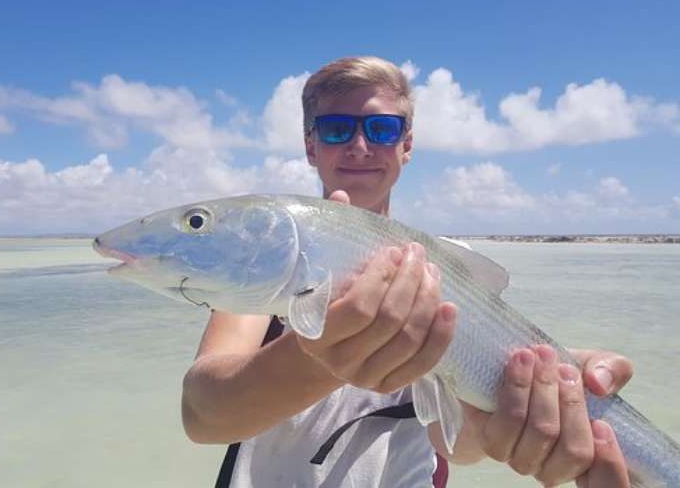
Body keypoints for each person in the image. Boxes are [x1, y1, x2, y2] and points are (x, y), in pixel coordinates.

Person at [182, 56, 634, 487]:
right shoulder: (271, 264)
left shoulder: (447, 268)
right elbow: (202, 415)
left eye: (382, 129)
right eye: (337, 129)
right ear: (310, 146)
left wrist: (532, 391)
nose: (360, 146)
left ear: (407, 144)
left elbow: (454, 441)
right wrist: (325, 355)